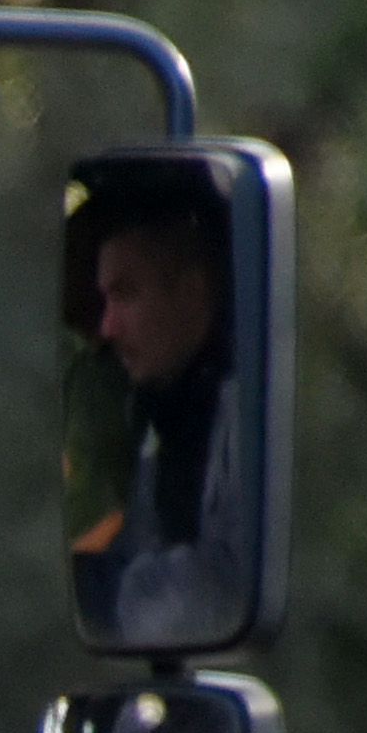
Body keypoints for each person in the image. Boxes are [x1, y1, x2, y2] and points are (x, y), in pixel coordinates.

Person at [66, 178, 236, 642]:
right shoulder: (150, 422)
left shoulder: (235, 422)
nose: (108, 326)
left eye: (125, 295)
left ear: (191, 293)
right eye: (103, 301)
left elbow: (218, 588)